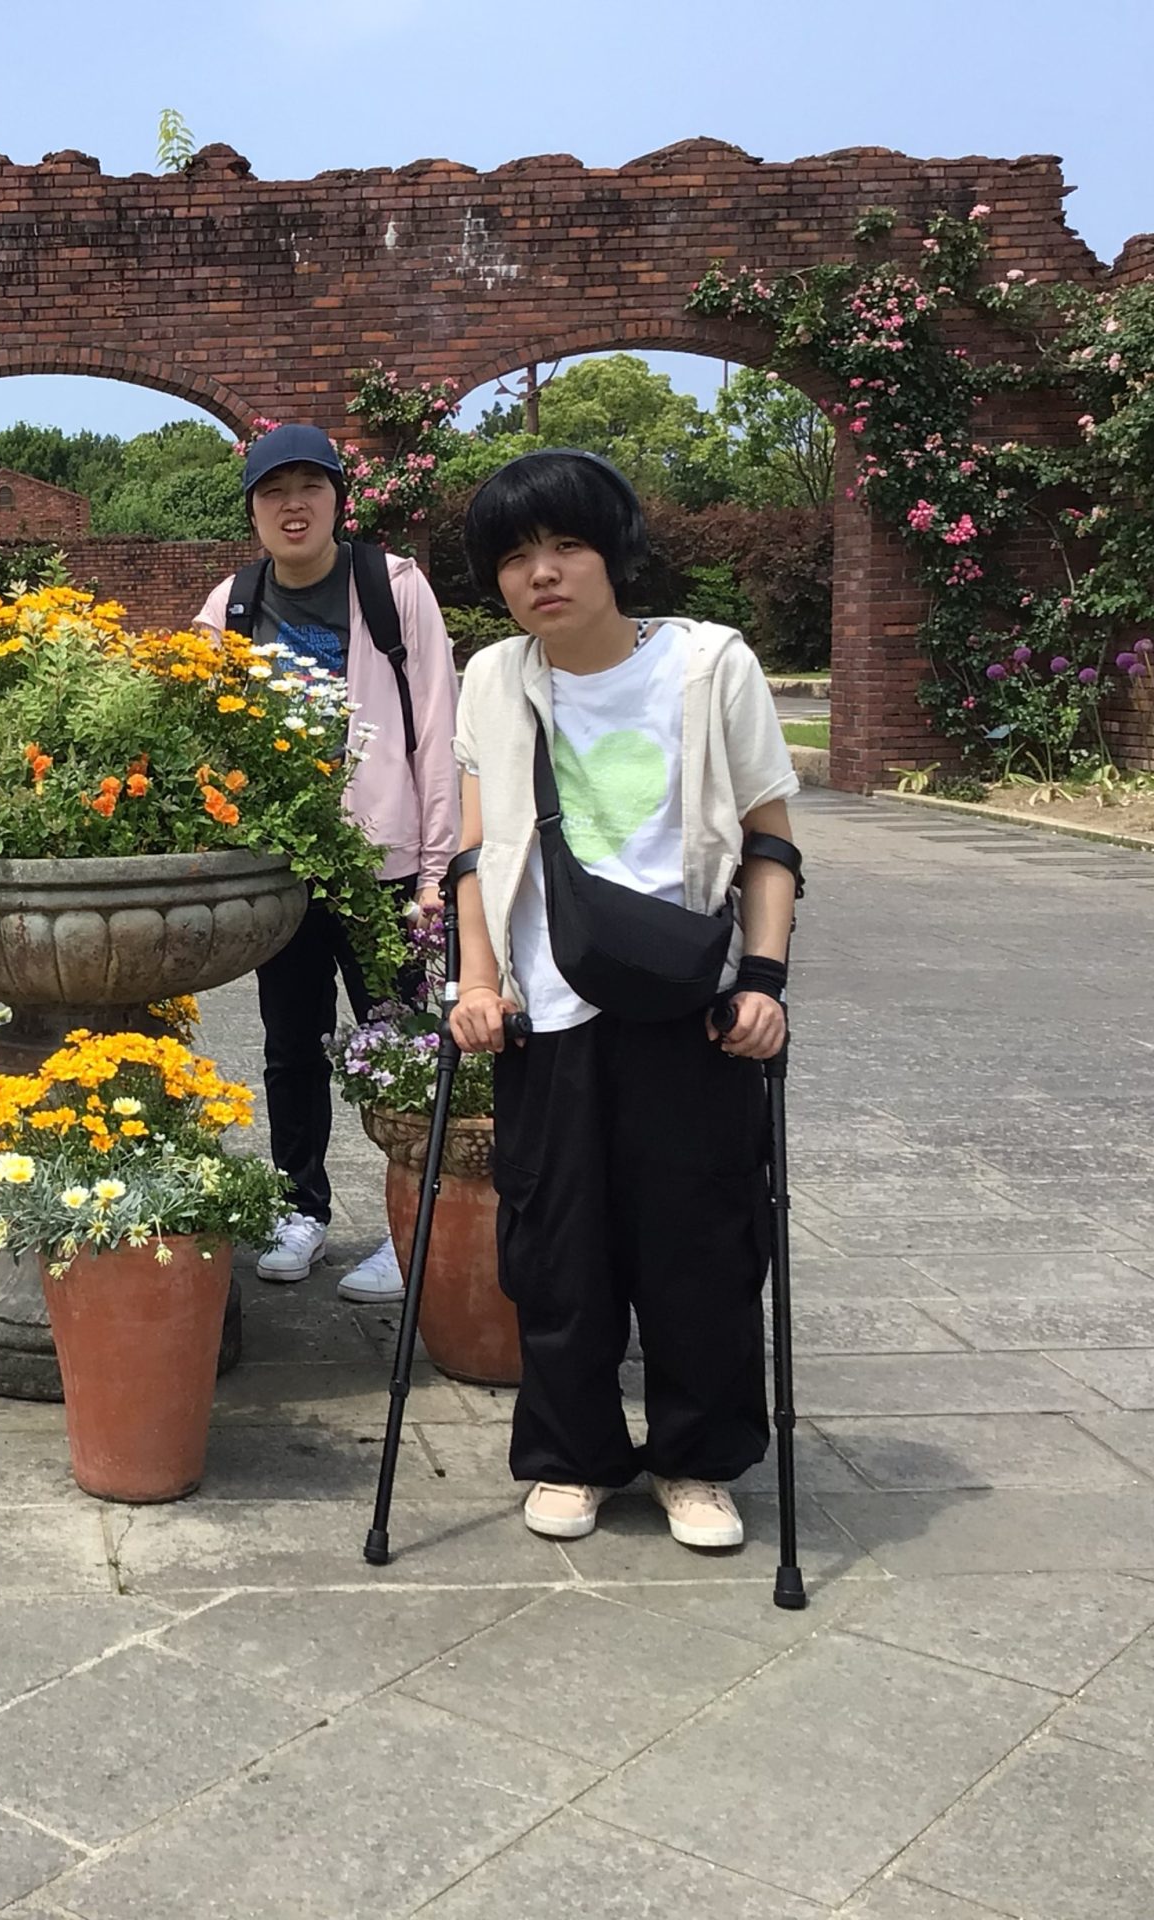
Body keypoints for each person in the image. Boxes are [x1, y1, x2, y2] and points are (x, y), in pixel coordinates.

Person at [446, 448, 799, 1552]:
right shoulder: (492, 678)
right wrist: (477, 980)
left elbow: (770, 840)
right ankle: (573, 1455)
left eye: (566, 545)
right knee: (556, 1252)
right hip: (548, 1015)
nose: (542, 573)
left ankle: (697, 1461)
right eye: (515, 556)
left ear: (614, 553)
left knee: (701, 1247)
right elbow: (472, 854)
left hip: (688, 1006)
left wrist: (764, 981)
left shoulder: (709, 664)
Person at [194, 423, 460, 1292]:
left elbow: (438, 730)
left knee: (404, 1046)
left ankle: (411, 1229)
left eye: (311, 486)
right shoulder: (231, 605)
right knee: (291, 1046)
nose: (293, 505)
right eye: (274, 491)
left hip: (385, 866)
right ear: (253, 511)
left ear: (339, 500)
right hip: (282, 870)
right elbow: (193, 731)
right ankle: (299, 1208)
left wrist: (437, 871)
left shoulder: (393, 588)